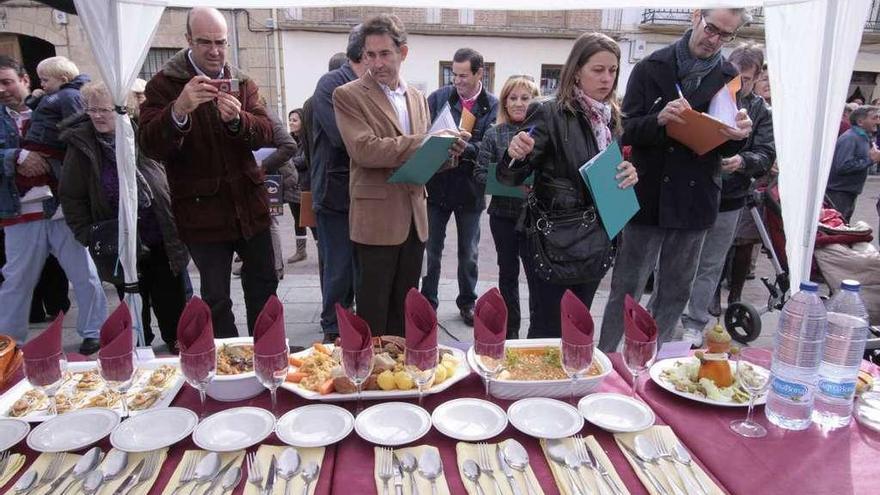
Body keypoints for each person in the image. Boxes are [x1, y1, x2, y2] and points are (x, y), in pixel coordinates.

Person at [598, 8, 754, 351]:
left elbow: (726, 134)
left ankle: (650, 359)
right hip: (647, 192)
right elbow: (624, 130)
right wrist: (659, 120)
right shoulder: (651, 66)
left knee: (676, 290)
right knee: (627, 286)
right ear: (696, 17)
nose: (714, 40)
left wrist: (740, 133)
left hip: (696, 200)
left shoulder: (729, 76)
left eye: (725, 35)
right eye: (711, 28)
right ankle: (607, 357)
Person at [139, 7, 276, 338]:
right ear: (188, 40)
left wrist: (238, 120)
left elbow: (267, 132)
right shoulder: (165, 84)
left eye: (221, 42)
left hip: (249, 206)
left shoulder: (242, 80)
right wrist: (179, 110)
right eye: (205, 42)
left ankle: (267, 351)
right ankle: (228, 366)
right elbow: (149, 144)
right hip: (201, 213)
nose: (215, 51)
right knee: (215, 298)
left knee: (264, 288)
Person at [333, 14, 467, 336]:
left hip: (415, 217)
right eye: (370, 55)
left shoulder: (418, 98)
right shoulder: (348, 95)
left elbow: (422, 158)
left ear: (402, 53)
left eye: (385, 54)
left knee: (404, 308)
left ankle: (401, 378)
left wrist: (448, 152)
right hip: (376, 220)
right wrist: (427, 141)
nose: (376, 63)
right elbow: (364, 150)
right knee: (373, 311)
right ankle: (369, 376)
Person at [501, 33, 639, 338]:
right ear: (577, 70)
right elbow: (508, 177)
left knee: (578, 325)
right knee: (548, 329)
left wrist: (628, 173)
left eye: (613, 70)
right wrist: (515, 155)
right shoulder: (548, 111)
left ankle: (572, 381)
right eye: (598, 70)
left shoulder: (612, 116)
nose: (607, 78)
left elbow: (608, 169)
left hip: (598, 236)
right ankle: (537, 386)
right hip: (556, 240)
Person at [60, 81, 189, 353]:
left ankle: (177, 344)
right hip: (118, 242)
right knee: (132, 302)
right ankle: (139, 348)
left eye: (104, 110)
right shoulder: (82, 146)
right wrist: (88, 234)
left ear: (124, 110)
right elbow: (71, 197)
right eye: (92, 109)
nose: (97, 116)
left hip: (160, 233)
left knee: (171, 298)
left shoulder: (143, 136)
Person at [0, 55, 107, 352]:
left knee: (84, 274)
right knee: (16, 281)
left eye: (7, 82)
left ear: (25, 81)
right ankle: (9, 343)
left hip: (62, 208)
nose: (2, 89)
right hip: (18, 213)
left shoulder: (55, 102)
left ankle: (94, 330)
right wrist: (16, 157)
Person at [679, 41, 775, 346]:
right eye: (735, 75)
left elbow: (765, 153)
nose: (740, 83)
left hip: (731, 198)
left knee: (710, 263)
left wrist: (743, 161)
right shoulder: (708, 93)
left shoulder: (761, 110)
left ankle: (694, 322)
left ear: (758, 77)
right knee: (677, 260)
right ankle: (664, 315)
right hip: (694, 192)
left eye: (747, 78)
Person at [421, 48, 498, 326]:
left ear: (480, 73)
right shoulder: (439, 98)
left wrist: (466, 148)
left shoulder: (493, 106)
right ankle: (428, 301)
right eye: (454, 75)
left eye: (463, 75)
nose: (457, 81)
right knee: (432, 249)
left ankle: (468, 302)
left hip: (470, 191)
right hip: (437, 186)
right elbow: (423, 132)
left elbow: (492, 148)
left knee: (469, 252)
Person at [311, 25, 366, 341]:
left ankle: (353, 329)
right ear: (364, 53)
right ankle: (332, 334)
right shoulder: (332, 84)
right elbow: (344, 138)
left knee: (361, 269)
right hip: (335, 196)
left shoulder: (375, 86)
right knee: (339, 269)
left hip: (368, 195)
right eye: (376, 52)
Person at [474, 75, 539, 339]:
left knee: (537, 278)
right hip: (503, 216)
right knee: (508, 275)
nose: (519, 103)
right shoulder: (494, 133)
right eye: (513, 98)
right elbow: (479, 173)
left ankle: (538, 333)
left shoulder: (545, 131)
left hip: (536, 217)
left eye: (525, 98)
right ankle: (510, 334)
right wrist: (507, 183)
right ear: (504, 102)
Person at [826, 105, 880, 223]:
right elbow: (842, 166)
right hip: (838, 193)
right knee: (836, 226)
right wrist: (871, 160)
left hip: (849, 192)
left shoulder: (863, 138)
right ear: (860, 122)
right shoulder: (850, 138)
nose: (878, 121)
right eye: (874, 118)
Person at [285, 108, 311, 263]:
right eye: (290, 120)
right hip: (292, 186)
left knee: (311, 221)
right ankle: (301, 251)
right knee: (297, 220)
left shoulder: (307, 139)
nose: (291, 123)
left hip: (305, 185)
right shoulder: (289, 139)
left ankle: (321, 250)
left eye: (295, 120)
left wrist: (286, 162)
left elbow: (303, 161)